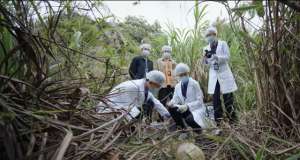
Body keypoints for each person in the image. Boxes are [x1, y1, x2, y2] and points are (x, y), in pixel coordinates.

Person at [97, 70, 170, 121]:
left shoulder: (144, 87)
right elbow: (128, 106)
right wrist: (138, 118)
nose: (156, 88)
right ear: (151, 82)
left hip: (122, 108)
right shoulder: (134, 87)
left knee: (145, 106)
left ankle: (135, 127)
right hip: (109, 109)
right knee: (138, 113)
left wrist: (166, 114)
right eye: (156, 86)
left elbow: (155, 101)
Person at [202, 27, 238, 126]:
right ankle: (218, 121)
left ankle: (233, 120)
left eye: (211, 34)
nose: (209, 37)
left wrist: (218, 57)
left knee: (228, 98)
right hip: (214, 75)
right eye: (207, 35)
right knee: (215, 99)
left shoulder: (222, 44)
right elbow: (206, 64)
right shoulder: (205, 48)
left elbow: (227, 57)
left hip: (224, 73)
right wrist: (205, 60)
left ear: (215, 34)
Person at [167, 63, 206, 132]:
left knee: (189, 120)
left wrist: (187, 106)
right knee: (171, 108)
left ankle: (199, 132)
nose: (183, 76)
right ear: (178, 76)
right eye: (181, 75)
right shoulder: (178, 86)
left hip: (196, 109)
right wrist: (171, 103)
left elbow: (200, 101)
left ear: (188, 73)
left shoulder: (194, 84)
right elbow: (175, 99)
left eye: (185, 74)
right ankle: (183, 128)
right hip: (184, 109)